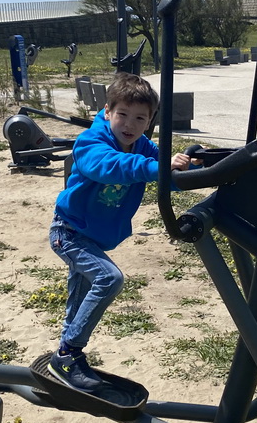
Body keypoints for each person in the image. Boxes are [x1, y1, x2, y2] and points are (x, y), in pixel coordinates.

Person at [45, 73, 194, 391]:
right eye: (123, 115)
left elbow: (164, 174)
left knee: (80, 298)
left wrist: (188, 167)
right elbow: (110, 166)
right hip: (69, 232)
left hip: (91, 236)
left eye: (140, 118)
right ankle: (68, 354)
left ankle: (65, 357)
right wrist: (158, 168)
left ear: (150, 120)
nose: (130, 124)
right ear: (108, 112)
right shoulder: (91, 143)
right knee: (108, 279)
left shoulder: (142, 145)